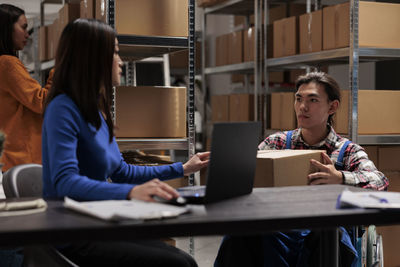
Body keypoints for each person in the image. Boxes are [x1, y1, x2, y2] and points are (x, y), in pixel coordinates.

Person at [42, 18, 209, 267]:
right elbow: (65, 182)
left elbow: (121, 171)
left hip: (99, 222)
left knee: (182, 259)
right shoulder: (62, 109)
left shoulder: (95, 111)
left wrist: (183, 168)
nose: (121, 61)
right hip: (73, 233)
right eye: (116, 53)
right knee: (178, 264)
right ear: (94, 57)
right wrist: (130, 192)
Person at [214, 72, 388, 267]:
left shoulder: (346, 151)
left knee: (327, 233)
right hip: (278, 230)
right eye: (298, 99)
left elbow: (380, 182)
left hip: (324, 234)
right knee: (239, 234)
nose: (303, 107)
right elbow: (246, 175)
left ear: (332, 106)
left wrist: (340, 178)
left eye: (312, 100)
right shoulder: (276, 143)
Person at [0, 4, 54, 172]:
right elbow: (42, 101)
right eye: (23, 27)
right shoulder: (7, 63)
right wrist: (59, 69)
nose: (27, 34)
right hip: (21, 159)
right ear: (6, 29)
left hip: (13, 159)